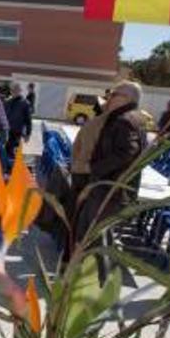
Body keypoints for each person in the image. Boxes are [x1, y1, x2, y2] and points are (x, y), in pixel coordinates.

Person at [73, 81, 147, 246]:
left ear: (127, 98)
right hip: (111, 189)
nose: (110, 98)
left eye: (114, 94)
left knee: (92, 240)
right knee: (96, 238)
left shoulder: (124, 120)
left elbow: (128, 152)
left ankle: (91, 270)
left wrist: (94, 168)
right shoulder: (132, 117)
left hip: (108, 190)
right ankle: (89, 269)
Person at [4, 82, 33, 159]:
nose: (14, 92)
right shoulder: (7, 102)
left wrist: (28, 134)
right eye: (13, 90)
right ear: (11, 91)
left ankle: (12, 167)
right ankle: (7, 167)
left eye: (17, 90)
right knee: (6, 150)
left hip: (17, 131)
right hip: (7, 131)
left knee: (13, 151)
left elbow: (28, 120)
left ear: (20, 91)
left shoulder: (25, 103)